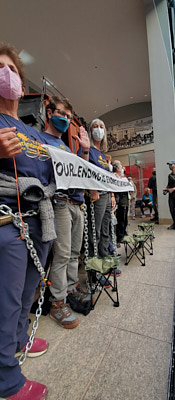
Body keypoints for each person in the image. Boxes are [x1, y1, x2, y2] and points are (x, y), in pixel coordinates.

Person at [0, 44, 55, 399]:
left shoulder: (33, 131)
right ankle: (7, 381)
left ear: (21, 82)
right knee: (5, 304)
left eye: (11, 68)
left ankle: (19, 343)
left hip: (40, 222)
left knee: (25, 295)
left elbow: (57, 170)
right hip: (9, 223)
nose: (6, 73)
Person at [41, 95, 91, 329]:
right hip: (59, 203)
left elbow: (78, 173)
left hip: (75, 204)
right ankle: (57, 302)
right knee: (61, 256)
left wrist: (85, 151)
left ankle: (70, 289)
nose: (65, 119)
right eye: (61, 113)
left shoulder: (66, 146)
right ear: (49, 113)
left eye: (68, 117)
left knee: (73, 253)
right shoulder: (39, 139)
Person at [79, 119, 119, 283]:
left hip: (106, 195)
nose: (98, 129)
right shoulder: (86, 149)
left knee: (104, 233)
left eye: (102, 126)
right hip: (95, 197)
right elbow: (83, 169)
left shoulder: (103, 154)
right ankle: (94, 275)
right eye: (95, 126)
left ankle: (103, 266)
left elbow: (107, 177)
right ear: (90, 130)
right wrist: (91, 189)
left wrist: (111, 195)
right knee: (93, 234)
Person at [112, 160, 129, 243]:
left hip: (125, 201)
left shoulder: (123, 178)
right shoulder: (114, 177)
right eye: (121, 166)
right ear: (118, 168)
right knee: (120, 220)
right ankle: (119, 237)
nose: (123, 167)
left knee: (125, 219)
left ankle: (123, 233)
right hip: (120, 202)